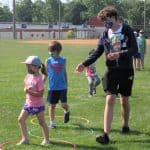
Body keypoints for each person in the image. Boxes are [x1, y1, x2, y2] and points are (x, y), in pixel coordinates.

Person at [75, 6, 138, 144]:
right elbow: (97, 52)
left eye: (107, 20)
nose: (105, 23)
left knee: (124, 100)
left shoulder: (127, 30)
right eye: (103, 21)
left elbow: (134, 49)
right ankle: (106, 135)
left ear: (114, 17)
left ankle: (125, 125)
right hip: (111, 71)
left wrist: (119, 54)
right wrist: (84, 64)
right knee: (109, 99)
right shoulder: (104, 34)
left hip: (126, 69)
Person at [17, 56, 50, 146]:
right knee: (20, 119)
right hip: (28, 103)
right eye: (27, 66)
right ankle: (25, 139)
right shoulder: (28, 76)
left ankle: (47, 140)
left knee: (42, 122)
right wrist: (28, 88)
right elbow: (26, 84)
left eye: (29, 66)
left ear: (35, 67)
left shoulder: (39, 79)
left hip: (38, 105)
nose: (27, 67)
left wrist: (28, 91)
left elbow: (40, 94)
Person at [45, 40, 70, 129]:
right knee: (52, 106)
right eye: (49, 51)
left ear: (58, 51)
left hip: (62, 87)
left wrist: (66, 84)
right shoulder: (48, 61)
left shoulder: (63, 60)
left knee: (63, 104)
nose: (50, 53)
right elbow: (46, 73)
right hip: (52, 87)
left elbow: (64, 72)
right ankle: (52, 123)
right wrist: (43, 81)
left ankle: (67, 111)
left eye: (53, 51)